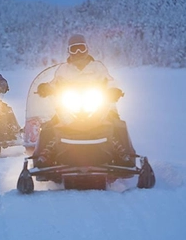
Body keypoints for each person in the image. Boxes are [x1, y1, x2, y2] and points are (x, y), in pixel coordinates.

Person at [32, 34, 130, 166]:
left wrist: (113, 90)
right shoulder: (63, 70)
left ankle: (126, 156)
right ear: (69, 51)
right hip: (68, 106)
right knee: (49, 127)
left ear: (87, 49)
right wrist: (46, 88)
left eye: (81, 48)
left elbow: (110, 81)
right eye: (74, 49)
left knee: (116, 124)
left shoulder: (97, 67)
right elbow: (55, 83)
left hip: (98, 105)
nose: (78, 52)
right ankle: (42, 158)